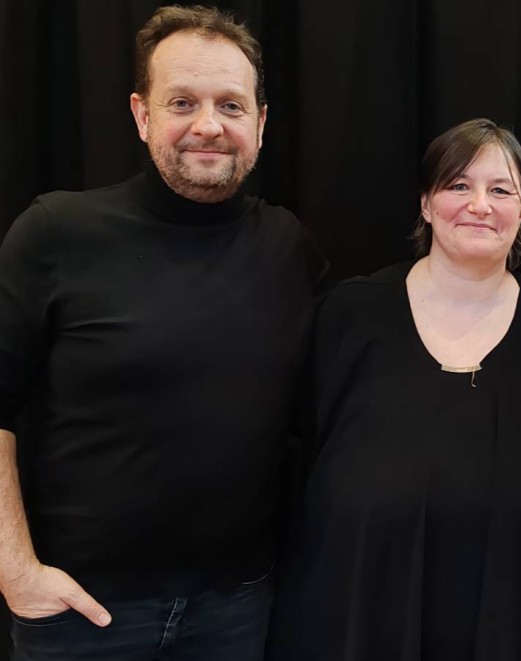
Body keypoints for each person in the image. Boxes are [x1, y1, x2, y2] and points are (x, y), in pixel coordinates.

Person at [0, 5, 327, 660]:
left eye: (230, 105)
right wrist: (16, 571)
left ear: (260, 124)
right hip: (82, 614)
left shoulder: (288, 248)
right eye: (182, 102)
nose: (208, 125)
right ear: (141, 114)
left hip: (238, 609)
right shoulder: (56, 233)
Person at [265, 118, 521, 660]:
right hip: (366, 613)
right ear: (426, 203)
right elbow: (301, 448)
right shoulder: (352, 313)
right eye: (458, 185)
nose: (480, 205)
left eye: (501, 190)